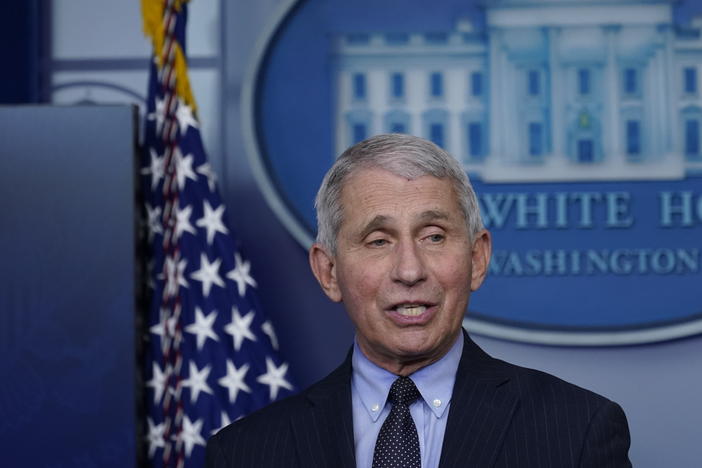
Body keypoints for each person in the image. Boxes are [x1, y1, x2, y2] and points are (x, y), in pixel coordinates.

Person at [206, 134, 632, 467]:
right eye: (378, 240)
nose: (410, 270)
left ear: (477, 259)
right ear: (329, 272)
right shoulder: (246, 452)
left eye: (434, 236)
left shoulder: (577, 431)